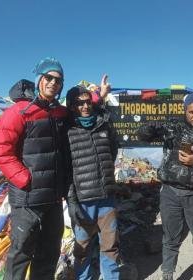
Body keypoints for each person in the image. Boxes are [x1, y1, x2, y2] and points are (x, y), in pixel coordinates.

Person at [0, 57, 69, 280]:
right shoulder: (18, 112)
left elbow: (84, 112)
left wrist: (99, 98)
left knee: (49, 252)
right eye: (49, 77)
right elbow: (1, 151)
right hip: (27, 199)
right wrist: (25, 179)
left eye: (58, 80)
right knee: (21, 252)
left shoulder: (60, 113)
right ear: (39, 80)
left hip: (53, 199)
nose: (53, 83)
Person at [138, 93, 193, 280]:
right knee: (170, 239)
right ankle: (167, 275)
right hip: (170, 192)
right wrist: (151, 124)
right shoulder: (173, 127)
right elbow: (143, 135)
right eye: (191, 111)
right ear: (185, 112)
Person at [65, 75, 121, 280]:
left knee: (110, 246)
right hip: (83, 201)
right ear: (72, 106)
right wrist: (72, 200)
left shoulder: (103, 124)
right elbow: (66, 170)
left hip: (106, 198)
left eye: (88, 102)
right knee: (82, 249)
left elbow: (112, 151)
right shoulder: (68, 131)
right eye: (80, 103)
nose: (85, 106)